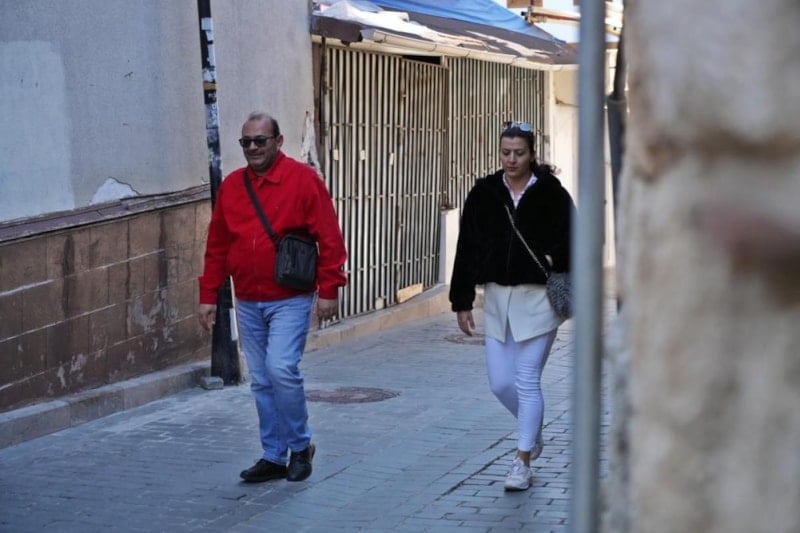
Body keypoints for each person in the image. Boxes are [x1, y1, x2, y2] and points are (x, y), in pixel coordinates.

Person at [198, 111, 347, 483]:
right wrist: (208, 295)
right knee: (262, 379)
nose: (252, 148)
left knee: (281, 368)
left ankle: (300, 446)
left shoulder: (303, 180)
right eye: (246, 142)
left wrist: (329, 289)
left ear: (278, 141)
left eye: (260, 141)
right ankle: (274, 455)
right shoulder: (233, 186)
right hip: (248, 298)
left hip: (290, 297)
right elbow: (217, 245)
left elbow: (329, 237)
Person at [449, 121, 574, 491]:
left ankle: (521, 461)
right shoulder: (484, 192)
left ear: (532, 154)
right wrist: (461, 300)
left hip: (538, 301)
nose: (512, 159)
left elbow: (578, 237)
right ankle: (531, 429)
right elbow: (466, 246)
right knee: (500, 383)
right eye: (506, 152)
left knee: (526, 379)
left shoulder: (551, 192)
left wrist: (555, 258)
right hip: (497, 300)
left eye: (519, 152)